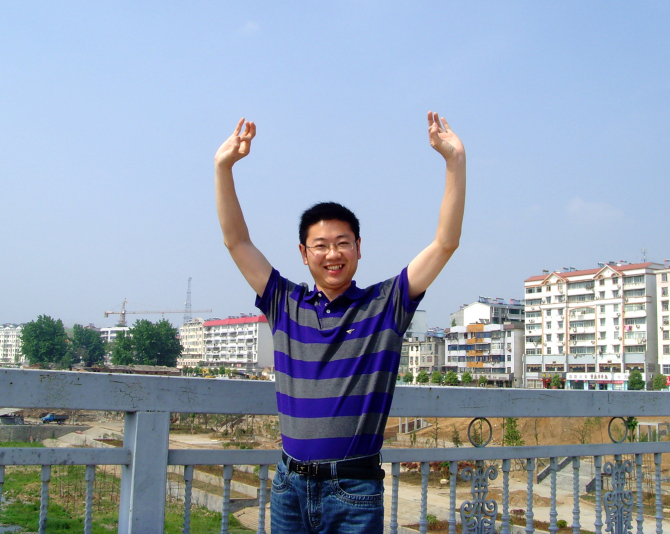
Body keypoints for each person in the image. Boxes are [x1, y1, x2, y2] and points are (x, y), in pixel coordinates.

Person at [214, 111, 466, 534]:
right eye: (321, 245)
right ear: (304, 253)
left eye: (342, 243)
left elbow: (445, 243)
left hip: (354, 490)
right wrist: (224, 168)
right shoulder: (284, 302)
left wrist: (454, 161)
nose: (332, 254)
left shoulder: (385, 305)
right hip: (289, 487)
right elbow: (236, 241)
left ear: (358, 248)